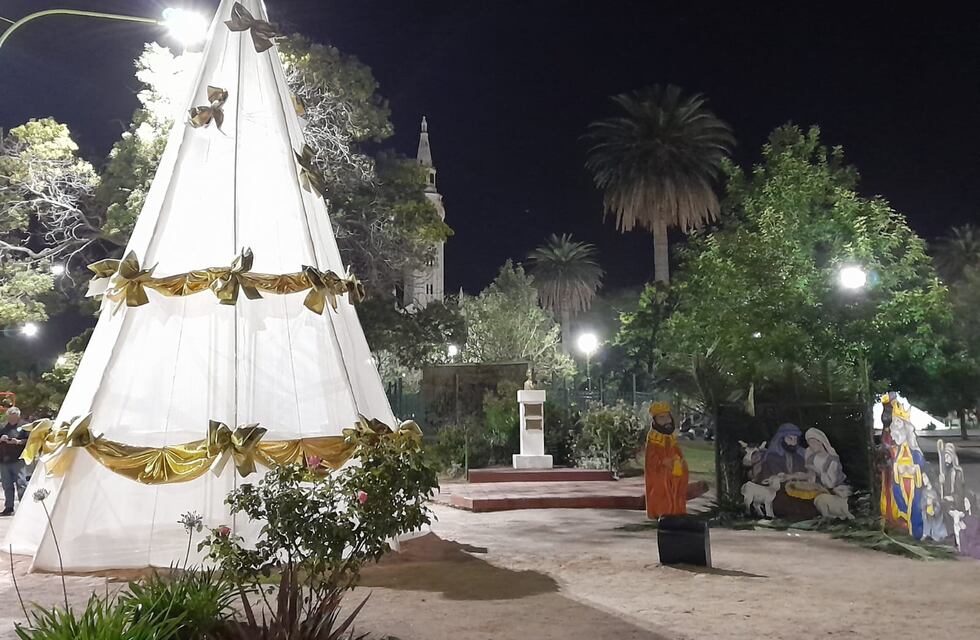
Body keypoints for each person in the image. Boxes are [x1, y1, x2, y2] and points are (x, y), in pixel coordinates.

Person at [644, 401, 689, 518]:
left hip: (673, 470)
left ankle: (677, 511)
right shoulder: (653, 438)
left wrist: (680, 461)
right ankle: (661, 512)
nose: (666, 420)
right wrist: (663, 462)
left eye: (668, 417)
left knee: (677, 489)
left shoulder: (670, 437)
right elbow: (651, 458)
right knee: (661, 489)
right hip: (660, 473)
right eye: (662, 418)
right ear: (655, 421)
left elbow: (677, 452)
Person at [0, 407, 28, 516]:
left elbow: (30, 441)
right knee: (7, 485)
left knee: (21, 483)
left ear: (18, 416)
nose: (11, 419)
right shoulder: (2, 427)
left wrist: (19, 441)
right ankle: (9, 507)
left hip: (18, 459)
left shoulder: (25, 426)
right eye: (10, 416)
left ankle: (24, 507)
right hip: (4, 460)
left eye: (14, 416)